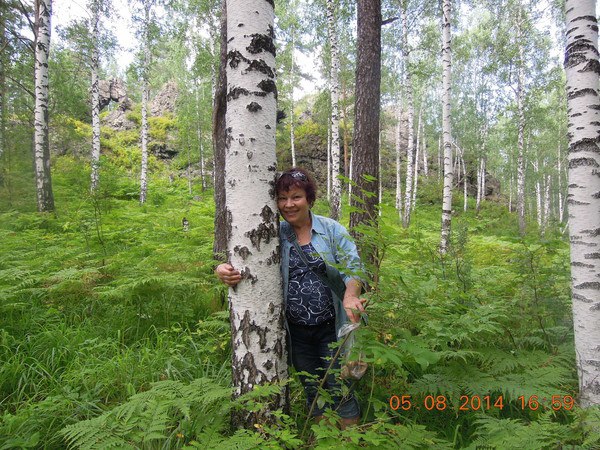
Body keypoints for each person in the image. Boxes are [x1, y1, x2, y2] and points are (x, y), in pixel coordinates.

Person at [215, 167, 366, 428]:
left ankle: (351, 441)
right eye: (282, 198)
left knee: (339, 386)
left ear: (309, 199)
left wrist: (351, 296)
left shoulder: (331, 230)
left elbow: (353, 268)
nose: (289, 204)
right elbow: (246, 259)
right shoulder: (274, 234)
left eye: (296, 197)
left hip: (331, 326)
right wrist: (222, 269)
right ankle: (322, 439)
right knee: (312, 387)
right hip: (295, 332)